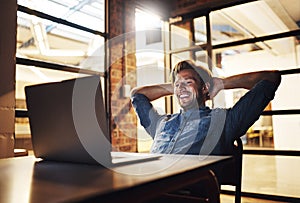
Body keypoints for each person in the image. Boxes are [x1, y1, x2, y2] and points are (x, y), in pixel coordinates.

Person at [130, 60, 281, 156]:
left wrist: (222, 83)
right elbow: (136, 95)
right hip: (148, 190)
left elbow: (271, 79)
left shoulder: (223, 121)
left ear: (204, 88)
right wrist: (178, 86)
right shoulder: (162, 123)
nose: (181, 88)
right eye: (177, 84)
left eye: (188, 82)